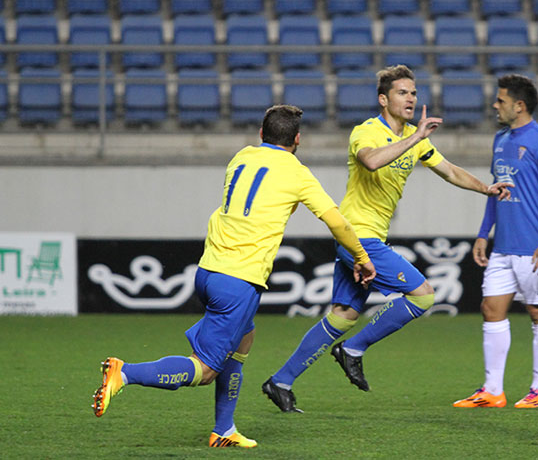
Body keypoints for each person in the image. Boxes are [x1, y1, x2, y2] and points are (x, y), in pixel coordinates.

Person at [91, 105, 376, 447]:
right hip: (239, 280)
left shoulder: (242, 156)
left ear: (261, 134)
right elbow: (337, 222)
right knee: (206, 370)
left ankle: (224, 429)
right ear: (297, 139)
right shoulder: (297, 173)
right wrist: (361, 257)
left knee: (243, 342)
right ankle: (125, 373)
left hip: (210, 268)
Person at [262, 65, 512, 413]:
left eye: (413, 93)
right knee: (423, 296)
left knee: (344, 314)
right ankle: (353, 349)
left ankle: (281, 381)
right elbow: (371, 161)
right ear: (383, 99)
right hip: (358, 236)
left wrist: (487, 188)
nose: (410, 98)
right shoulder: (367, 132)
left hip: (368, 235)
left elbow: (449, 170)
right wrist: (415, 138)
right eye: (402, 93)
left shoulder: (415, 138)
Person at [452, 74, 538, 410]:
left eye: (500, 100)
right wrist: (483, 233)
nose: (494, 105)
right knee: (491, 309)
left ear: (519, 105)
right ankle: (492, 390)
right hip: (503, 246)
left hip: (535, 248)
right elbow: (495, 189)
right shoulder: (500, 140)